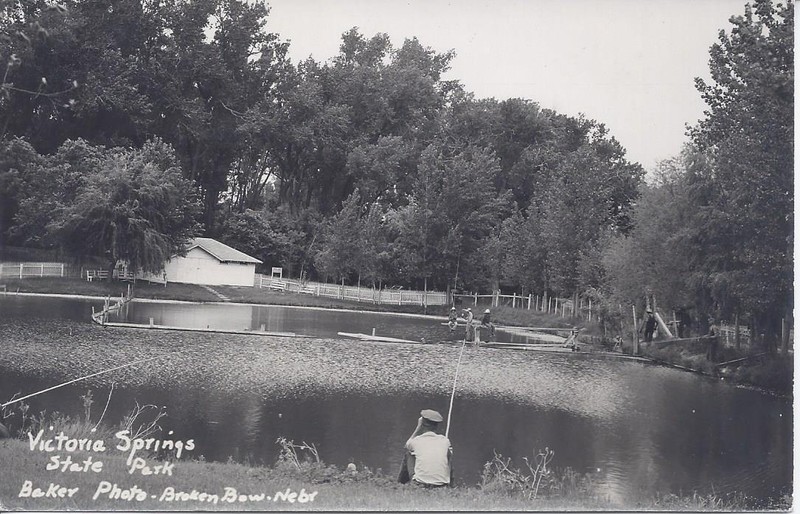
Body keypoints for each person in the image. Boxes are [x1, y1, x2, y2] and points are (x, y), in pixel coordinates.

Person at [398, 409, 452, 487]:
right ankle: (451, 485)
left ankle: (400, 484)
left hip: (420, 484)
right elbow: (450, 460)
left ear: (422, 424)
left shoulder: (416, 441)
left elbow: (407, 445)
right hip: (442, 485)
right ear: (436, 426)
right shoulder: (445, 441)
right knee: (448, 454)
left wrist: (418, 427)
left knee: (409, 454)